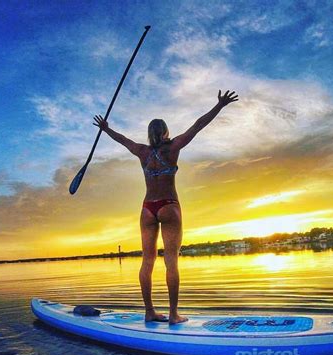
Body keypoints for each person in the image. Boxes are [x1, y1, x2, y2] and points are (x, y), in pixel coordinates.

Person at [93, 90, 239, 324]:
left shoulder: (141, 151)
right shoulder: (172, 149)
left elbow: (122, 139)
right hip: (169, 206)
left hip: (147, 208)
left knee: (147, 261)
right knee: (171, 260)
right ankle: (173, 314)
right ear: (165, 132)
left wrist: (105, 128)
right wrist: (219, 106)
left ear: (149, 134)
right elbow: (198, 125)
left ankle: (149, 311)